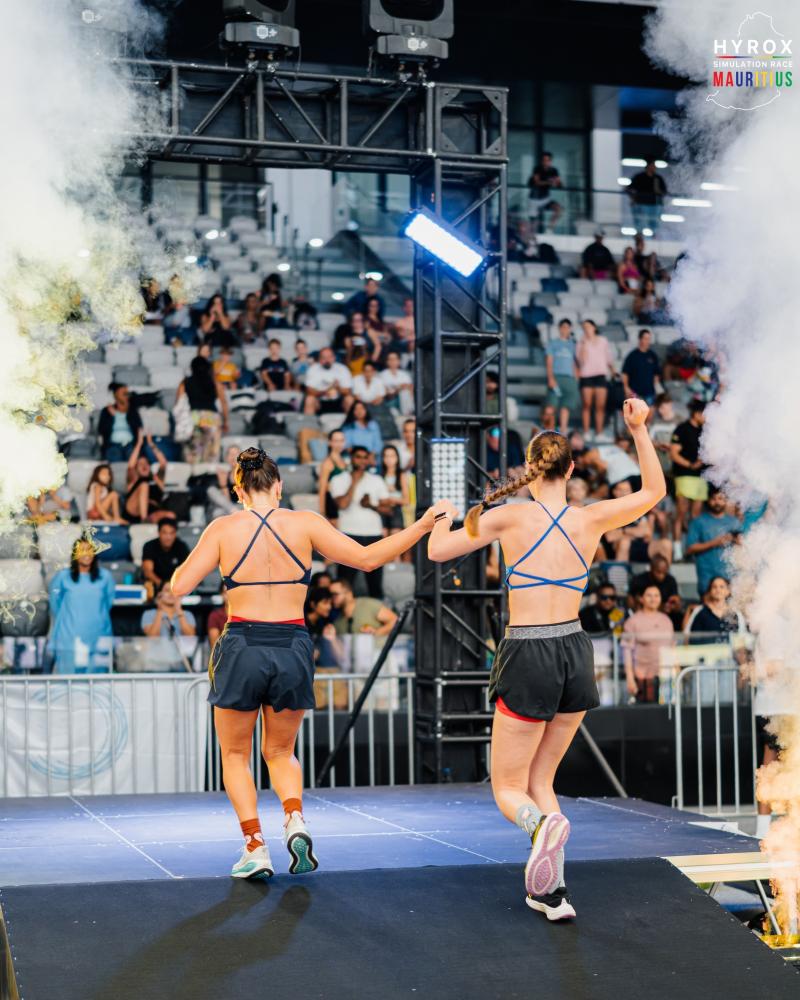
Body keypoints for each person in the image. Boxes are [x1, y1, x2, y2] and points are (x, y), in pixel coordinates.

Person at [427, 398, 665, 920]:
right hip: (575, 651)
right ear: (571, 469)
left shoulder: (509, 516)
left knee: (508, 787)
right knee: (542, 781)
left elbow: (437, 552)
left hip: (528, 650)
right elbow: (654, 492)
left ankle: (540, 827)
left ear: (531, 468)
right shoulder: (591, 517)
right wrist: (638, 428)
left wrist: (440, 519)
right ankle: (552, 893)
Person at [171, 446, 448, 879]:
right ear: (279, 486)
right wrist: (423, 525)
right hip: (292, 643)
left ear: (238, 490)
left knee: (236, 754)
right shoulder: (305, 523)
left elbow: (179, 585)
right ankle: (295, 819)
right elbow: (369, 558)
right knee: (281, 751)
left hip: (242, 643)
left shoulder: (224, 528)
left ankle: (255, 846)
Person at [328, 446, 392, 599]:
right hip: (348, 535)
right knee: (345, 583)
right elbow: (342, 504)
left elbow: (388, 510)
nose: (362, 461)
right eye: (358, 457)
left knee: (375, 584)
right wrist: (354, 482)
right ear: (351, 458)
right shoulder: (339, 479)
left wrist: (371, 505)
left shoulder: (376, 480)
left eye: (365, 457)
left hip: (373, 535)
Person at [48, 536, 116, 674]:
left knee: (97, 683)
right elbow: (55, 605)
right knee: (68, 682)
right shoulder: (62, 577)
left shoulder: (105, 577)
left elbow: (108, 603)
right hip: (69, 638)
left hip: (98, 635)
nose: (87, 554)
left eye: (90, 550)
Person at [621, 584, 674, 703]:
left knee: (667, 712)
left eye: (656, 595)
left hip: (665, 677)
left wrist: (676, 671)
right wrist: (630, 678)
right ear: (641, 598)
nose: (653, 599)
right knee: (645, 711)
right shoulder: (632, 621)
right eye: (649, 595)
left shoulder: (666, 620)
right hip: (642, 678)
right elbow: (626, 651)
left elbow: (672, 648)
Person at [685, 488, 742, 598]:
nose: (717, 502)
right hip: (706, 575)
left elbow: (741, 545)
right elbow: (690, 548)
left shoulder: (734, 522)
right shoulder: (698, 522)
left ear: (726, 501)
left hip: (729, 575)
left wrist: (738, 541)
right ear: (708, 500)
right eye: (713, 499)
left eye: (720, 498)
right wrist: (714, 543)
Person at [602, 479, 672, 563]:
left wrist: (623, 532)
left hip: (639, 546)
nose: (624, 493)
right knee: (625, 542)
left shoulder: (637, 511)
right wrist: (635, 532)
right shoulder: (609, 512)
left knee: (666, 544)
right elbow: (610, 537)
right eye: (621, 490)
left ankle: (664, 572)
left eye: (627, 490)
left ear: (631, 492)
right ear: (614, 492)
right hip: (618, 548)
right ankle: (620, 571)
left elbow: (647, 534)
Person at [176, 356, 230, 464]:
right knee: (211, 455)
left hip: (193, 417)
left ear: (192, 368)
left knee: (193, 455)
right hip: (212, 418)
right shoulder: (215, 383)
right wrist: (225, 421)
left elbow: (178, 403)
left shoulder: (185, 382)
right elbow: (224, 403)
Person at [670, 399, 707, 554]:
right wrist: (690, 465)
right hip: (684, 475)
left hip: (701, 477)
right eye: (705, 414)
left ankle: (691, 548)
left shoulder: (706, 431)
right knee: (681, 513)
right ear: (696, 414)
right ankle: (677, 550)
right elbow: (673, 453)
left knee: (696, 516)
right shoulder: (682, 429)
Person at [576, 319, 616, 438]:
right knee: (587, 405)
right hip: (586, 376)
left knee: (600, 406)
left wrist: (613, 371)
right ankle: (586, 432)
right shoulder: (580, 343)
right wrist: (584, 344)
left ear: (594, 327)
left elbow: (608, 357)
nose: (587, 329)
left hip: (600, 375)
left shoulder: (603, 340)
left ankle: (599, 432)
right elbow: (581, 361)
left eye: (588, 326)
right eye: (584, 327)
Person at [124, 432, 172, 524]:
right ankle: (144, 520)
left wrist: (151, 444)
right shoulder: (134, 479)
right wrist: (139, 444)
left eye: (146, 463)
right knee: (144, 485)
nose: (144, 465)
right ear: (136, 469)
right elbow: (130, 466)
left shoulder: (156, 479)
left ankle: (148, 521)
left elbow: (163, 463)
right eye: (140, 464)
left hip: (152, 512)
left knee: (170, 515)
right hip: (133, 510)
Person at [329, 578, 398, 637]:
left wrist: (376, 633)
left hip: (378, 648)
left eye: (335, 594)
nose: (332, 598)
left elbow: (395, 620)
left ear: (349, 593)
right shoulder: (336, 620)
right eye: (330, 595)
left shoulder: (368, 604)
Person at [545, 319, 579, 436]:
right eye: (563, 327)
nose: (565, 330)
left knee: (566, 406)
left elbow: (574, 362)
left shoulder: (573, 344)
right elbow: (549, 361)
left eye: (567, 327)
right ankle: (549, 430)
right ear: (559, 328)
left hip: (569, 378)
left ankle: (563, 431)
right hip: (556, 376)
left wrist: (576, 378)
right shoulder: (553, 343)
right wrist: (550, 378)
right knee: (551, 406)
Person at [141, 517, 190, 598]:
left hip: (176, 588)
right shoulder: (149, 546)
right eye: (165, 533)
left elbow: (186, 571)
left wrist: (172, 587)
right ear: (159, 533)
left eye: (171, 533)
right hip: (155, 586)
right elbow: (148, 571)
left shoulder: (182, 547)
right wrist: (162, 585)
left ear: (175, 534)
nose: (168, 537)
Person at [98, 382, 142, 462]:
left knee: (133, 464)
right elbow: (101, 430)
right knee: (116, 465)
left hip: (130, 445)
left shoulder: (132, 410)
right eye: (123, 393)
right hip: (113, 445)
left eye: (127, 393)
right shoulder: (107, 411)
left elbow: (139, 427)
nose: (126, 395)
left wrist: (127, 410)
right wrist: (112, 417)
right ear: (116, 395)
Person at [303, 347, 353, 416]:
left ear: (334, 358)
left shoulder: (342, 369)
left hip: (338, 402)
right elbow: (309, 391)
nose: (327, 360)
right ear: (319, 359)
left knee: (349, 399)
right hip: (320, 402)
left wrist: (338, 388)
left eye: (329, 357)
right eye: (324, 358)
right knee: (309, 399)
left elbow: (348, 391)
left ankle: (351, 423)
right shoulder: (313, 369)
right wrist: (324, 392)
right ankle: (308, 422)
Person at [622, 330, 662, 408]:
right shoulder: (632, 356)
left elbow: (656, 374)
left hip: (650, 392)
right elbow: (625, 373)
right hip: (635, 392)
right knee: (636, 414)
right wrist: (626, 387)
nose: (647, 341)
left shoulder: (653, 356)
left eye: (649, 339)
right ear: (640, 339)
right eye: (645, 338)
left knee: (649, 413)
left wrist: (657, 389)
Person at [628, 159, 667, 235]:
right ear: (648, 166)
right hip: (640, 203)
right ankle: (639, 236)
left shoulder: (658, 178)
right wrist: (633, 198)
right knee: (639, 222)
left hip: (654, 204)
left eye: (654, 166)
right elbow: (629, 189)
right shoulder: (639, 177)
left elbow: (664, 192)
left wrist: (658, 191)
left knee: (654, 223)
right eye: (652, 166)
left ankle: (655, 236)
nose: (654, 168)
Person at [317, 429, 349, 522]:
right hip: (332, 503)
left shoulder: (345, 460)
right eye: (336, 441)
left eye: (341, 441)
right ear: (330, 442)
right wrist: (322, 513)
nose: (339, 444)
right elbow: (322, 490)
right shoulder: (327, 463)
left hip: (343, 500)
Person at [378, 444, 409, 537]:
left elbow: (406, 500)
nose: (389, 459)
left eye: (392, 456)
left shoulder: (401, 475)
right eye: (386, 456)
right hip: (382, 511)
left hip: (396, 511)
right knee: (382, 540)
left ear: (397, 458)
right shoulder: (379, 475)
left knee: (395, 539)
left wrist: (390, 499)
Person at [527, 152, 562, 231]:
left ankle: (549, 229)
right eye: (544, 160)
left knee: (558, 209)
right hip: (534, 200)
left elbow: (559, 183)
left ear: (550, 161)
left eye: (548, 160)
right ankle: (533, 234)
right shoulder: (537, 169)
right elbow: (537, 182)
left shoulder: (554, 170)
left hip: (545, 199)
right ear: (541, 161)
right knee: (533, 221)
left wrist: (557, 183)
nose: (546, 162)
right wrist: (549, 182)